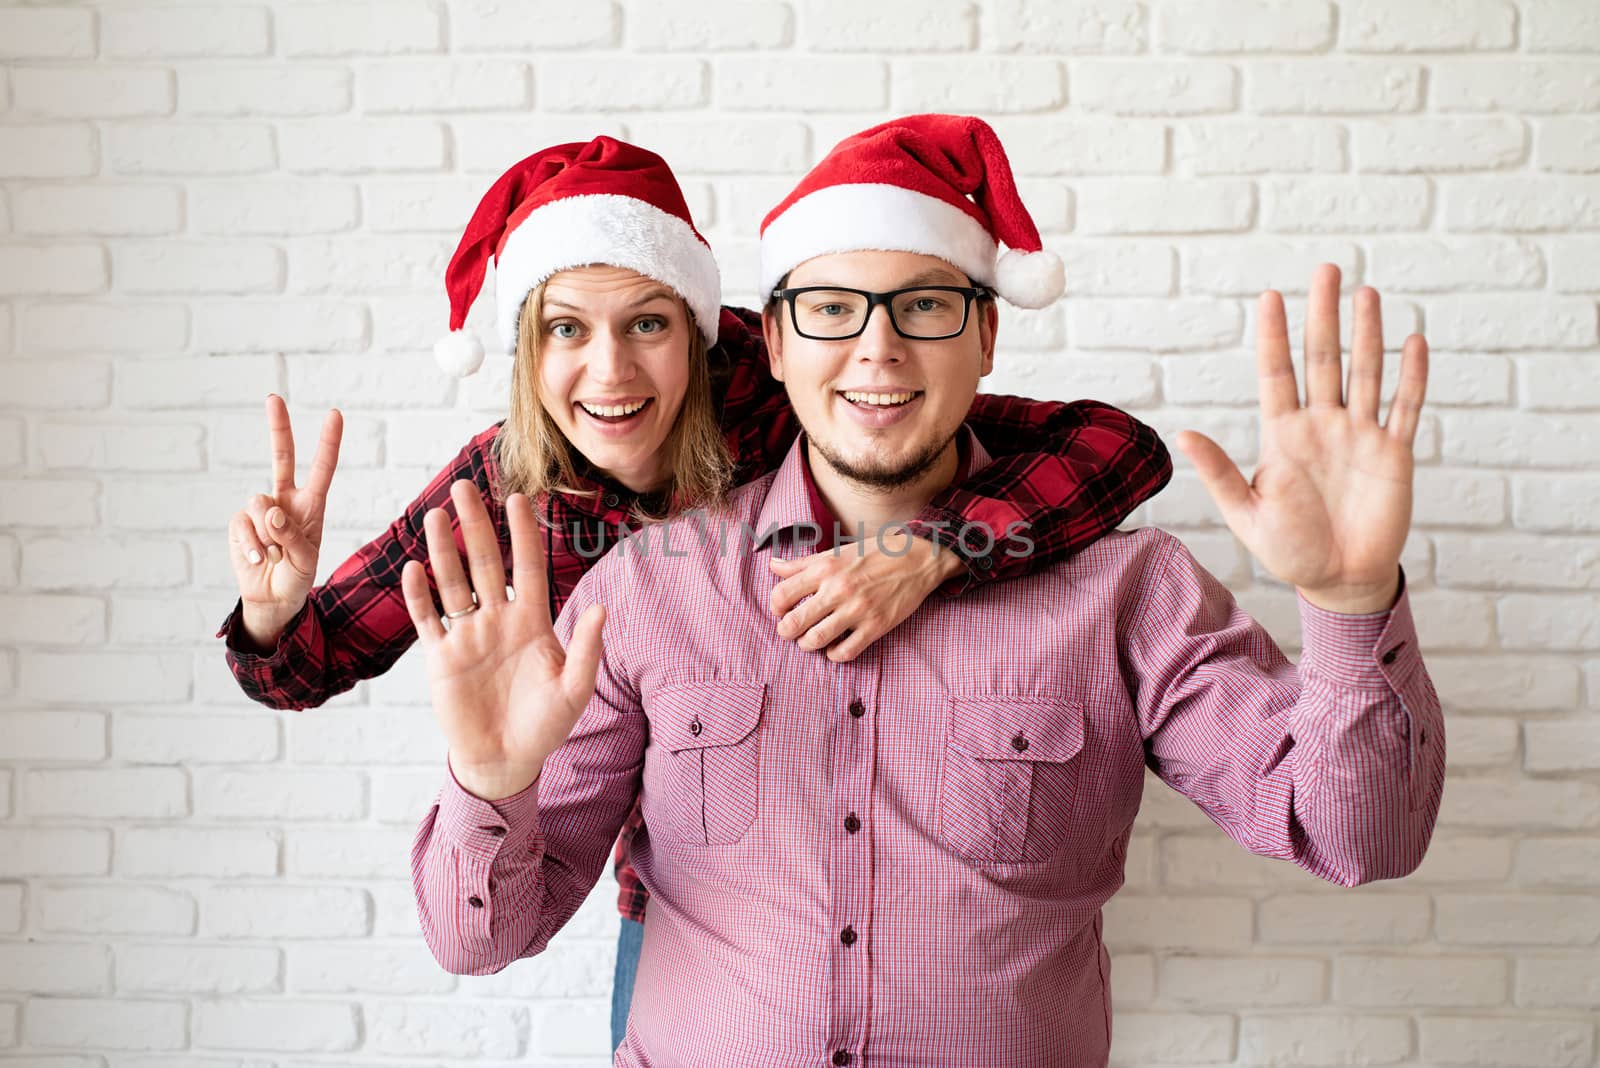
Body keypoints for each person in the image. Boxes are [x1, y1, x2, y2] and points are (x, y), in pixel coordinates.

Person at [407, 114, 1446, 1067]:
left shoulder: (1126, 590)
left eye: (926, 305)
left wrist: (1351, 607)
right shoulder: (645, 590)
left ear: (987, 336)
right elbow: (482, 940)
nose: (877, 346)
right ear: (771, 343)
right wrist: (487, 778)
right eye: (828, 309)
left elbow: (1356, 838)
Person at [214, 135, 1174, 1049]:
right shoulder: (503, 496)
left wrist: (934, 548)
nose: (612, 371)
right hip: (693, 903)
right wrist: (273, 604)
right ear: (526, 357)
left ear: (706, 332)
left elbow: (1114, 447)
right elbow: (304, 667)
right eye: (565, 330)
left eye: (647, 324)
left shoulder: (806, 381)